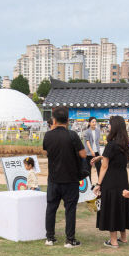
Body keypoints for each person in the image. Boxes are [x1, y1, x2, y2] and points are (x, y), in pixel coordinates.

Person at [42, 106, 86, 248]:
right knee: (70, 209)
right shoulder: (72, 135)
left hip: (53, 178)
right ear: (68, 120)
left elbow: (46, 152)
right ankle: (70, 240)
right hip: (71, 179)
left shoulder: (48, 136)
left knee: (51, 208)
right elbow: (83, 154)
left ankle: (50, 238)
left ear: (53, 120)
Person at [92, 115, 129, 248]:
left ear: (113, 127)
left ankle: (113, 241)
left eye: (109, 124)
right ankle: (123, 237)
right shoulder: (126, 144)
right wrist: (100, 157)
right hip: (122, 179)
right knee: (121, 206)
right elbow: (113, 157)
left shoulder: (111, 144)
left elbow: (105, 166)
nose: (108, 126)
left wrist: (98, 184)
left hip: (111, 180)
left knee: (111, 208)